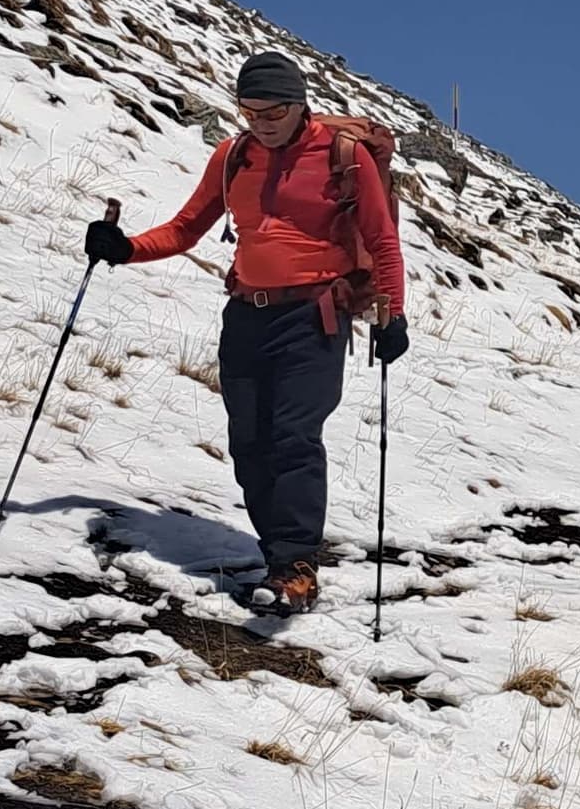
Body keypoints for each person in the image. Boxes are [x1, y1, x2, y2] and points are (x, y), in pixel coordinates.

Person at [85, 50, 410, 612]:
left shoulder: (344, 156)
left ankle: (295, 568)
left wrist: (393, 313)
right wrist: (125, 248)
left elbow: (382, 240)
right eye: (249, 111)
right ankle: (278, 554)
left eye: (273, 111)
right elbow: (187, 228)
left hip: (314, 315)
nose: (262, 122)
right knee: (250, 441)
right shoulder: (234, 155)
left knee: (293, 436)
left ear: (299, 104)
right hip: (245, 314)